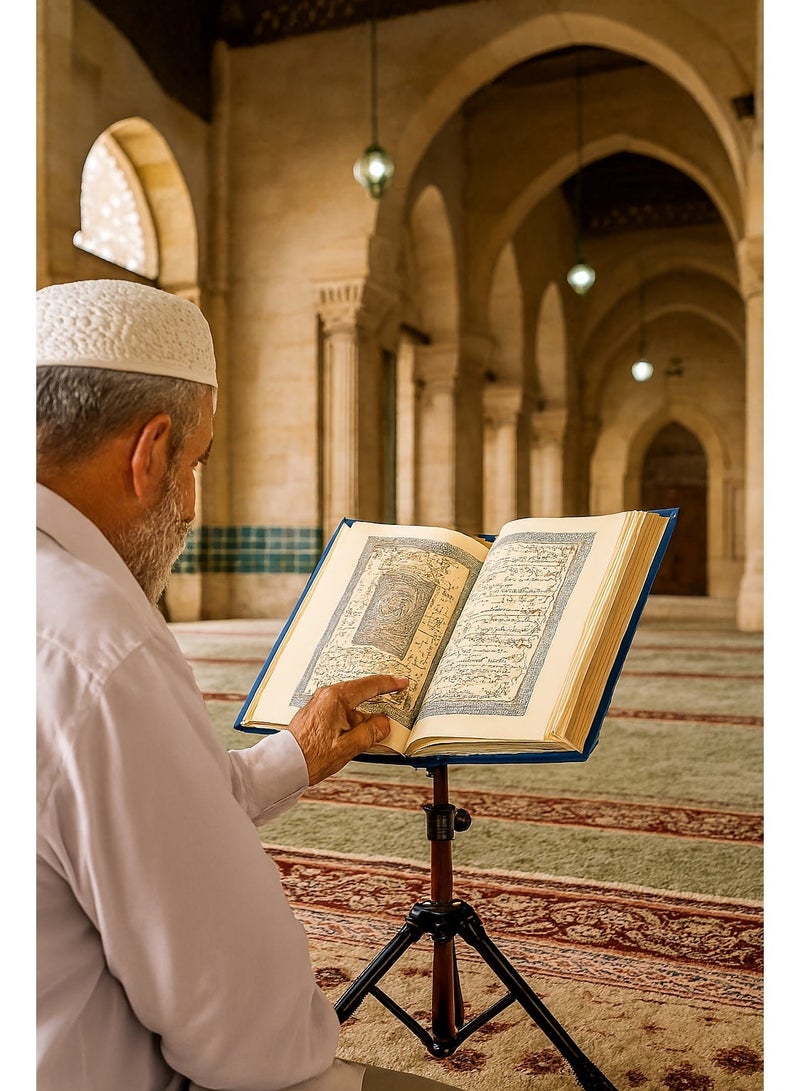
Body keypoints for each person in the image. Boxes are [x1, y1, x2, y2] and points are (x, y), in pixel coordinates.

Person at [36, 279, 463, 1091]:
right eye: (194, 466)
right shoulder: (100, 646)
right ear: (151, 452)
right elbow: (253, 1043)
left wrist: (292, 755)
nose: (191, 505)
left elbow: (113, 816)